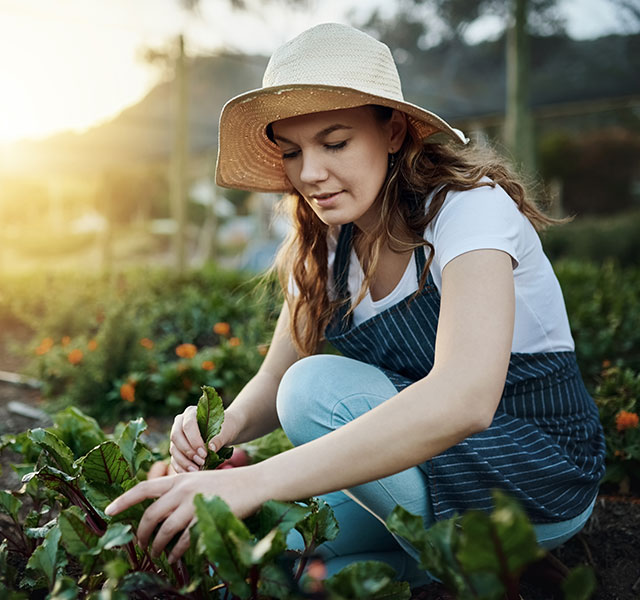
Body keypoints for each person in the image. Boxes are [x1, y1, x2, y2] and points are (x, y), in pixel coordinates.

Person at [105, 22, 605, 586]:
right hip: (423, 472)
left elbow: (465, 400)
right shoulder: (326, 246)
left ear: (392, 132)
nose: (310, 174)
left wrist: (255, 480)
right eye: (292, 152)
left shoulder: (468, 211)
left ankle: (498, 552)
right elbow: (274, 377)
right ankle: (470, 569)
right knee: (266, 555)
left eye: (334, 143)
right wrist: (217, 432)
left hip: (535, 473)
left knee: (313, 391)